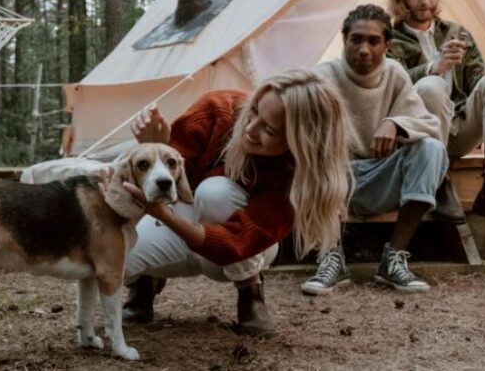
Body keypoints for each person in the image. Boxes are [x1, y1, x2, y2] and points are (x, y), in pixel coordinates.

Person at [120, 69, 356, 337]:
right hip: (185, 219)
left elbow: (236, 244)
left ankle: (250, 292)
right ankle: (143, 282)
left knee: (215, 193)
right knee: (119, 254)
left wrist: (165, 217)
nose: (250, 129)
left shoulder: (294, 178)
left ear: (300, 143)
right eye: (254, 111)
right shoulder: (216, 110)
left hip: (238, 250)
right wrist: (155, 144)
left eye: (269, 129)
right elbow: (163, 181)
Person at [302, 4, 447, 295]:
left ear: (387, 44)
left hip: (381, 176)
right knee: (309, 151)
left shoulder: (394, 74)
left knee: (431, 148)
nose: (364, 49)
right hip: (334, 182)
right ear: (345, 41)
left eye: (373, 41)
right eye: (356, 40)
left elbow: (430, 125)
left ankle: (393, 259)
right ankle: (330, 255)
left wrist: (396, 123)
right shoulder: (323, 77)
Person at [387, 0, 485, 227]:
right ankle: (438, 181)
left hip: (459, 127)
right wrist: (433, 67)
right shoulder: (389, 38)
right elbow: (390, 87)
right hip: (420, 138)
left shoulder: (456, 32)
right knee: (432, 85)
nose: (425, 1)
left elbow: (477, 82)